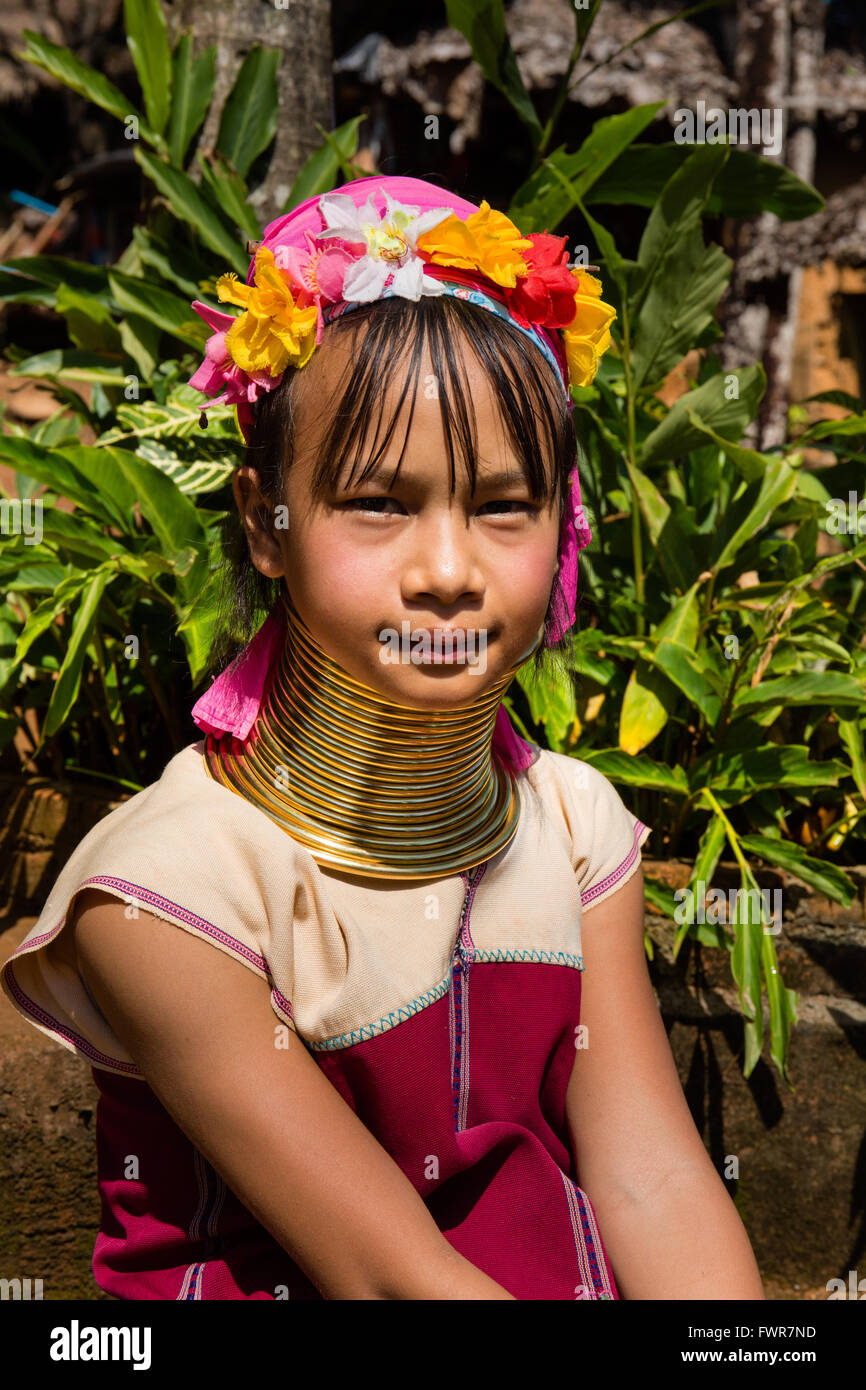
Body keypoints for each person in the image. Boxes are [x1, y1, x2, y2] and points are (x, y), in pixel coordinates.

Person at [1, 176, 765, 1301]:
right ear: (267, 521)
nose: (448, 570)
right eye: (378, 503)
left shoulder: (568, 826)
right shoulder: (164, 888)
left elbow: (648, 1174)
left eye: (504, 505)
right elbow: (387, 1276)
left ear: (563, 526)